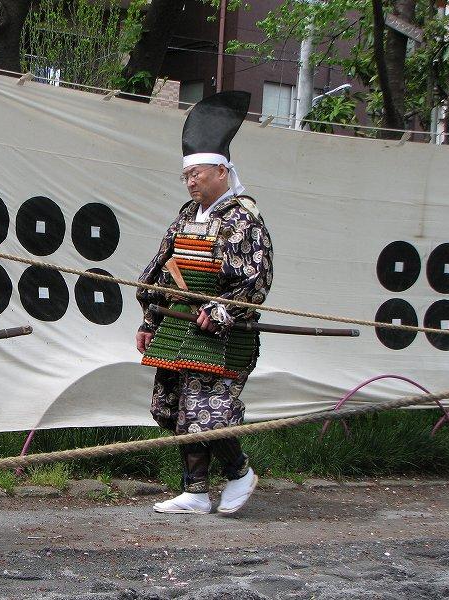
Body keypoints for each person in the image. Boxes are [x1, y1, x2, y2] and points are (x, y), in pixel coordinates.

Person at [136, 91, 273, 515]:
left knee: (207, 412)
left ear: (221, 171)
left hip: (223, 333)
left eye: (196, 173)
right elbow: (162, 268)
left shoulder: (242, 218)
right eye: (186, 176)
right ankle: (195, 491)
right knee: (172, 407)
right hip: (179, 326)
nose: (191, 182)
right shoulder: (185, 215)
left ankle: (239, 473)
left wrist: (220, 310)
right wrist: (150, 320)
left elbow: (254, 279)